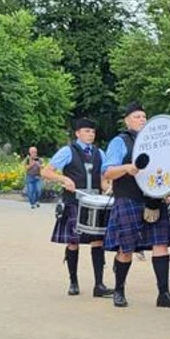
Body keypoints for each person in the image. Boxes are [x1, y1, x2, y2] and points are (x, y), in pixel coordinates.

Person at [102, 102, 170, 309]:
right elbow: (108, 172)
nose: (142, 120)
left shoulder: (158, 142)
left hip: (154, 198)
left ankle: (163, 294)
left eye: (144, 116)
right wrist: (128, 168)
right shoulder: (120, 142)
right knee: (126, 246)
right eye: (137, 116)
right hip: (128, 198)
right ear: (127, 120)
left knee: (161, 244)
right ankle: (119, 290)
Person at [43, 118, 114, 298]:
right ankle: (73, 282)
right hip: (74, 202)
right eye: (87, 131)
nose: (91, 134)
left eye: (92, 131)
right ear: (78, 133)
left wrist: (108, 188)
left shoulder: (100, 153)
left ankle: (99, 284)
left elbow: (103, 178)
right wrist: (63, 179)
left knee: (98, 242)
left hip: (95, 203)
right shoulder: (68, 151)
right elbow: (46, 171)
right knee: (73, 242)